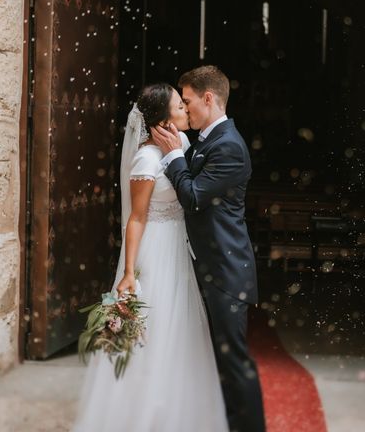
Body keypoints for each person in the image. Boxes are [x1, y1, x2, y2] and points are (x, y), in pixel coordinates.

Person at [72, 83, 229, 432]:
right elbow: (137, 217)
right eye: (179, 107)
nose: (186, 111)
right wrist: (128, 272)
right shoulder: (145, 158)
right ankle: (136, 413)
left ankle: (175, 410)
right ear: (161, 120)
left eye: (184, 105)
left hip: (177, 245)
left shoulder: (183, 144)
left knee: (180, 327)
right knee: (151, 328)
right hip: (155, 248)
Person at [151, 65, 266, 432]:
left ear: (209, 98)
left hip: (226, 271)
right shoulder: (210, 140)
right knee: (218, 358)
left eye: (187, 102)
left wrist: (172, 158)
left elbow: (195, 197)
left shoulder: (228, 146)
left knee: (234, 362)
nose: (185, 110)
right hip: (211, 267)